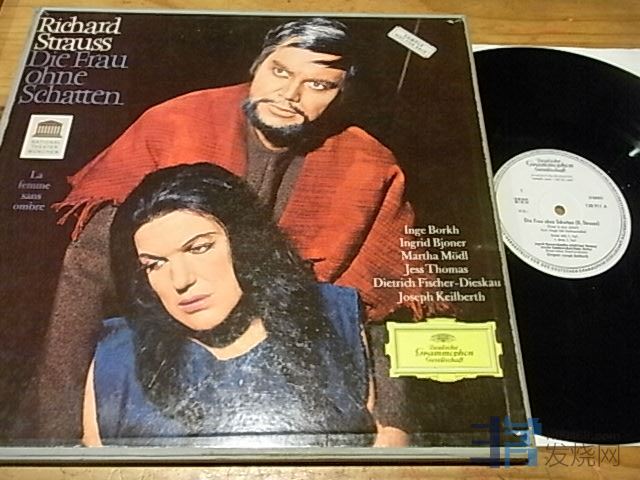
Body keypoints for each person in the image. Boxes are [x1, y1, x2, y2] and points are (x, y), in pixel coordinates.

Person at [35, 17, 448, 439]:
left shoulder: (370, 166)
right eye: (280, 71)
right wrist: (56, 431)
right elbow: (85, 277)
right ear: (257, 65)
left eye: (318, 84)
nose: (289, 95)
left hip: (301, 366)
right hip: (165, 360)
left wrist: (394, 426)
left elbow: (388, 311)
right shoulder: (175, 124)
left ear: (342, 94)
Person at [83, 163, 376, 445]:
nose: (181, 281)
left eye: (199, 248)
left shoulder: (332, 314)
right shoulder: (119, 356)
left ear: (244, 242)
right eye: (154, 265)